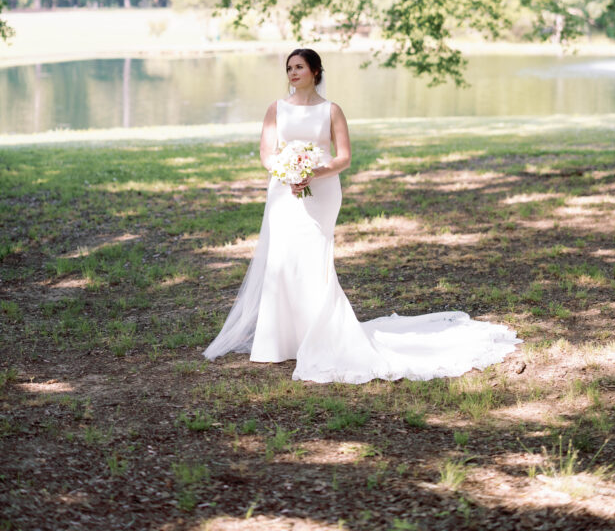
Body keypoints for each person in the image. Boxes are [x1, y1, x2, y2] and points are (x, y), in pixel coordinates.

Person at [204, 48, 521, 383]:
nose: (292, 73)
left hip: (322, 191)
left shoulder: (331, 110)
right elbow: (267, 154)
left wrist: (315, 172)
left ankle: (320, 333)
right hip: (283, 191)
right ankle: (278, 342)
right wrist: (287, 173)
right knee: (282, 257)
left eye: (299, 67)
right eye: (289, 68)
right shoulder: (275, 109)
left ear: (315, 71)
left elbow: (344, 158)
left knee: (314, 257)